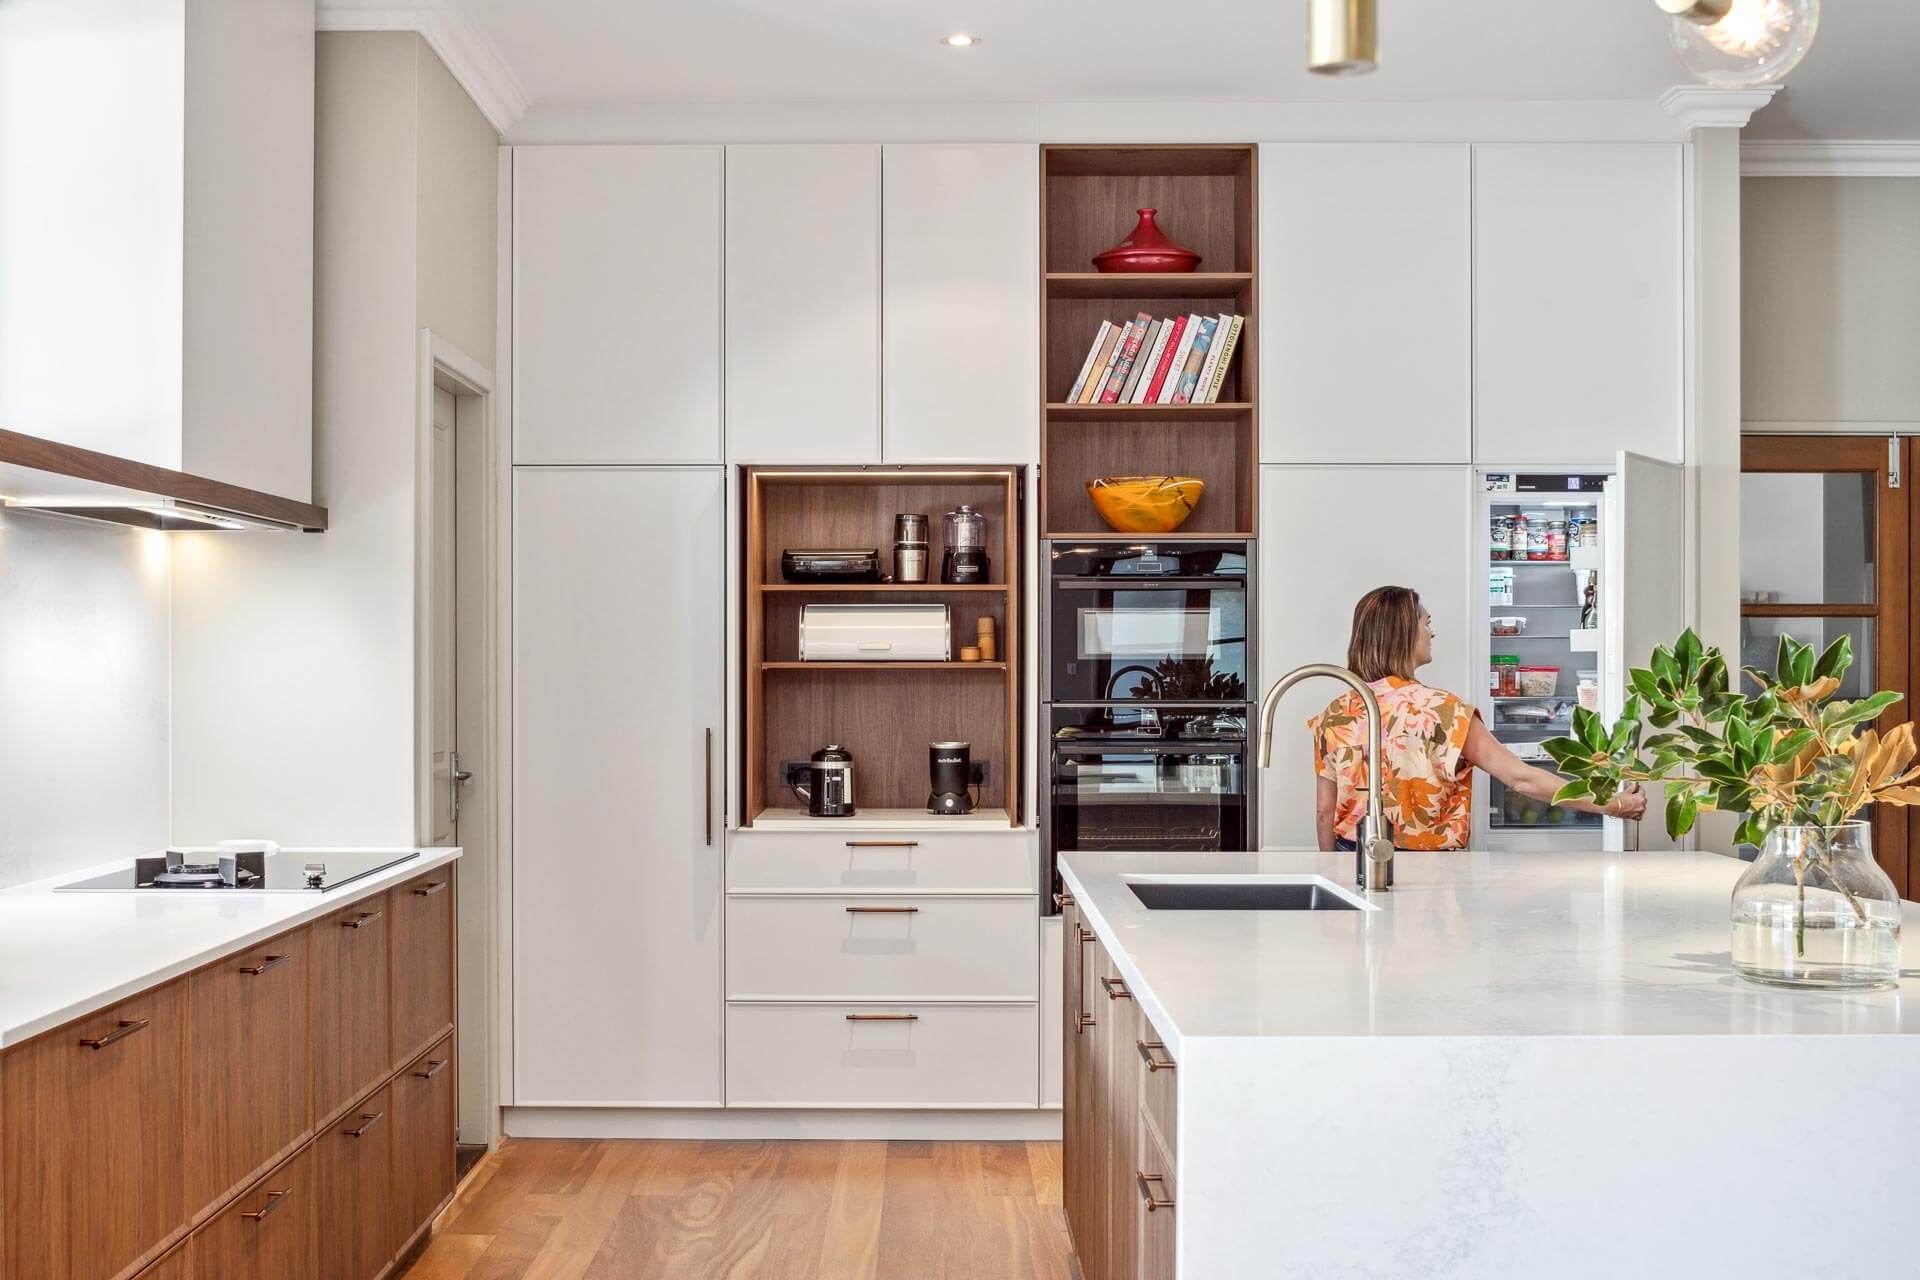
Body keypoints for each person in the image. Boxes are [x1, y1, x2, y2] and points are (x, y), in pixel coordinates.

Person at [1309, 585, 1646, 852]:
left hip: (1352, 855)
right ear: (1403, 633)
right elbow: (1521, 779)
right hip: (1428, 864)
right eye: (1426, 622)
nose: (1431, 633)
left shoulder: (1335, 714)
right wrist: (1612, 805)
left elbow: (1325, 810)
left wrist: (1331, 870)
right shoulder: (1444, 711)